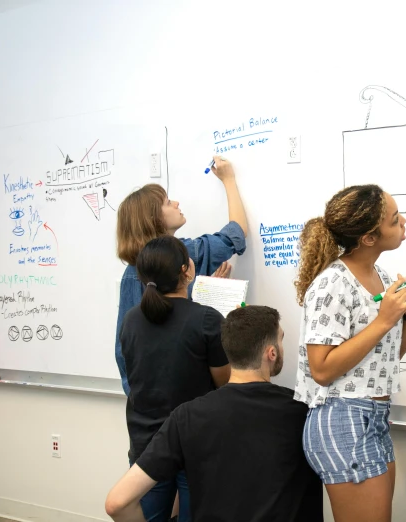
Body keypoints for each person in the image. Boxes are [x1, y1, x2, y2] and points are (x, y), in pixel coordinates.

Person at [106, 305, 323, 522]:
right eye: (280, 339)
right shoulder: (304, 411)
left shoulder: (186, 417)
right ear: (271, 353)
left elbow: (117, 503)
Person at [292, 184, 406, 522]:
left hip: (373, 417)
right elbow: (321, 369)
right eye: (395, 221)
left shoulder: (381, 278)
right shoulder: (331, 283)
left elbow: (386, 359)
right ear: (369, 237)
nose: (403, 225)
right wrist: (384, 320)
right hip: (342, 416)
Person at [120, 236, 232, 522]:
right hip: (194, 442)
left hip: (147, 444)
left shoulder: (131, 320)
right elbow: (224, 383)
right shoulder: (207, 320)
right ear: (187, 271)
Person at [115, 156, 248, 396]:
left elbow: (124, 353)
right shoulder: (189, 254)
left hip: (148, 411)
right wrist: (229, 180)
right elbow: (237, 233)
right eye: (167, 202)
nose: (176, 203)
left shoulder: (130, 274)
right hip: (193, 405)